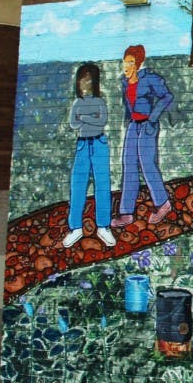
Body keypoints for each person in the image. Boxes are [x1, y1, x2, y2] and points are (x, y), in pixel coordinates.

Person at [111, 45, 175, 228]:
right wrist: (128, 121)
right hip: (134, 125)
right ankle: (126, 213)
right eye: (125, 62)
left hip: (147, 124)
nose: (126, 65)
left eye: (131, 62)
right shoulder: (125, 82)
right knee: (129, 164)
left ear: (138, 63)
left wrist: (153, 118)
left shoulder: (149, 79)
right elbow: (128, 105)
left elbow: (166, 96)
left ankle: (163, 203)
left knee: (147, 163)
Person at [62, 63, 116, 247]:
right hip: (83, 145)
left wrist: (84, 118)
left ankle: (103, 226)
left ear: (94, 82)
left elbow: (101, 121)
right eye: (82, 80)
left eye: (88, 80)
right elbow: (73, 124)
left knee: (102, 184)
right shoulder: (77, 103)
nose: (84, 83)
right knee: (78, 185)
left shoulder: (99, 101)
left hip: (99, 144)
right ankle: (75, 227)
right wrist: (90, 118)